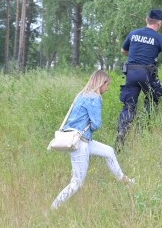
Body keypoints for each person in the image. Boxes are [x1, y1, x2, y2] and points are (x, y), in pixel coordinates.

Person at [51, 70, 134, 209]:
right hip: (79, 142)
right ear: (101, 83)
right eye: (107, 85)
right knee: (77, 182)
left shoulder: (82, 95)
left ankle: (125, 180)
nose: (108, 88)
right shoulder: (95, 98)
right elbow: (96, 124)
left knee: (109, 151)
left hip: (80, 139)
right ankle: (53, 207)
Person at [116, 8, 162, 146]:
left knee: (129, 105)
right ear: (159, 23)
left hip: (131, 73)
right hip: (146, 73)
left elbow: (123, 51)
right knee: (154, 97)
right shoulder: (158, 37)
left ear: (147, 20)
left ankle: (122, 131)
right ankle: (143, 127)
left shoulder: (133, 34)